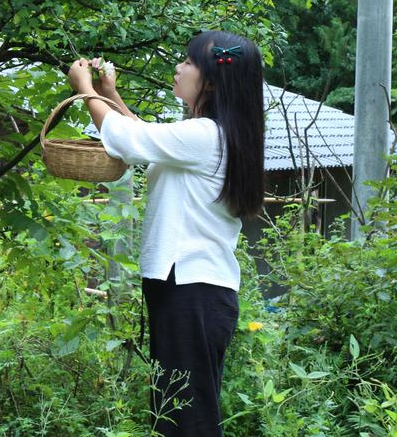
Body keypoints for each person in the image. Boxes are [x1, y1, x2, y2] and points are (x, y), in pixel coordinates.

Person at [66, 30, 266, 437]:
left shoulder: (205, 136)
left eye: (189, 62)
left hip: (192, 290)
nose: (178, 67)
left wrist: (85, 89)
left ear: (211, 80)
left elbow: (131, 140)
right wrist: (108, 94)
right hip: (190, 289)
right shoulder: (207, 134)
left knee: (186, 420)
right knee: (176, 414)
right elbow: (144, 135)